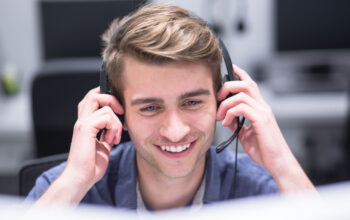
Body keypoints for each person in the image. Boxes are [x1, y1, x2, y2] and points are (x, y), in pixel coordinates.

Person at [26, 3, 316, 211]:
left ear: (222, 100)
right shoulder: (64, 192)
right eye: (150, 108)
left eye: (191, 102)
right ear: (117, 111)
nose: (175, 132)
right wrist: (74, 182)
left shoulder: (264, 192)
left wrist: (283, 164)